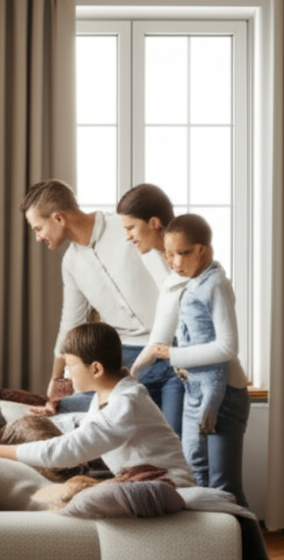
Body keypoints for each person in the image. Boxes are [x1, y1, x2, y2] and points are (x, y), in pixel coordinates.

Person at [0, 321, 195, 488]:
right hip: (145, 480)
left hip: (169, 485)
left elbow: (69, 449)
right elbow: (83, 430)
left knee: (83, 496)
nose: (67, 376)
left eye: (70, 366)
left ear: (96, 368)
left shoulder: (127, 402)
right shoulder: (105, 396)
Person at [131, 213, 252, 509]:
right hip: (197, 391)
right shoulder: (188, 282)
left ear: (203, 250)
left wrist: (174, 355)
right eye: (169, 254)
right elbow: (159, 341)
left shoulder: (215, 284)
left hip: (226, 395)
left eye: (182, 254)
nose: (174, 262)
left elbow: (227, 346)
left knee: (224, 487)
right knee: (197, 476)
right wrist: (129, 374)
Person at [20, 179, 158, 413]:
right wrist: (55, 380)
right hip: (122, 353)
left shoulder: (126, 228)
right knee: (73, 407)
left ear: (58, 218)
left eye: (38, 229)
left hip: (164, 343)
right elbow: (71, 322)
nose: (38, 238)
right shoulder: (71, 263)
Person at [116, 184, 185, 436]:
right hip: (169, 356)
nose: (127, 237)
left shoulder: (186, 264)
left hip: (191, 365)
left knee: (183, 449)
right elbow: (163, 328)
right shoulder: (150, 256)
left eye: (131, 228)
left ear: (154, 222)